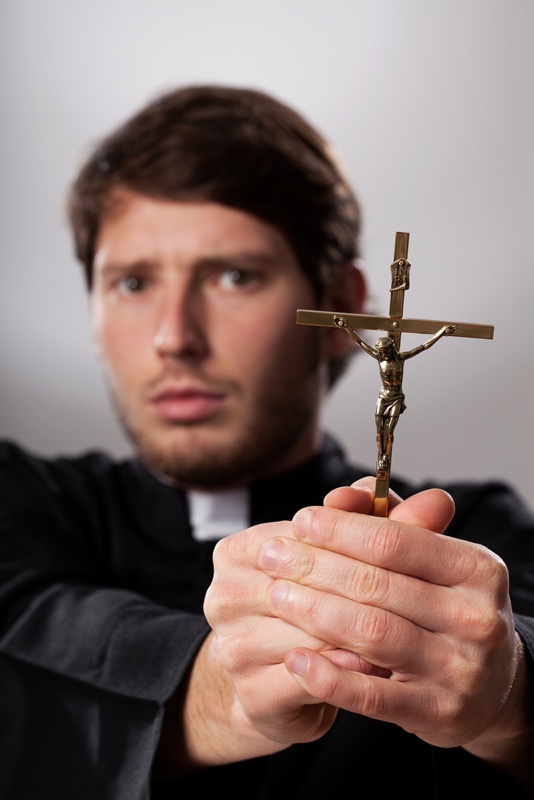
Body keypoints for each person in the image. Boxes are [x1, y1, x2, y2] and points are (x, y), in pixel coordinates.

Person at [1, 84, 533, 800]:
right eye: (132, 283)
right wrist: (217, 692)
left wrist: (509, 698)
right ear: (93, 316)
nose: (174, 339)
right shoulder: (26, 501)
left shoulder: (473, 538)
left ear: (340, 307)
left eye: (233, 276)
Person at [333, 316, 457, 469]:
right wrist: (345, 327)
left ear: (390, 349)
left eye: (385, 351)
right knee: (379, 433)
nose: (383, 354)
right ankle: (381, 458)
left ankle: (386, 457)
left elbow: (424, 346)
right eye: (381, 351)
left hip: (396, 397)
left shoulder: (400, 358)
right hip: (383, 397)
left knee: (389, 432)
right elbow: (360, 342)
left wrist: (442, 332)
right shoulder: (379, 358)